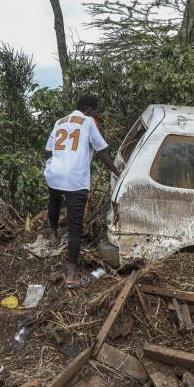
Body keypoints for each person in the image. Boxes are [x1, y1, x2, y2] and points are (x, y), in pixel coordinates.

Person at [44, 94, 120, 285]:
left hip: (55, 173)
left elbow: (47, 150)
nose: (97, 114)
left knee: (54, 200)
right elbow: (102, 152)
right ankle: (71, 274)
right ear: (88, 109)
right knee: (75, 228)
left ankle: (53, 233)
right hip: (75, 179)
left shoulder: (59, 122)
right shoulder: (88, 122)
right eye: (96, 110)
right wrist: (118, 172)